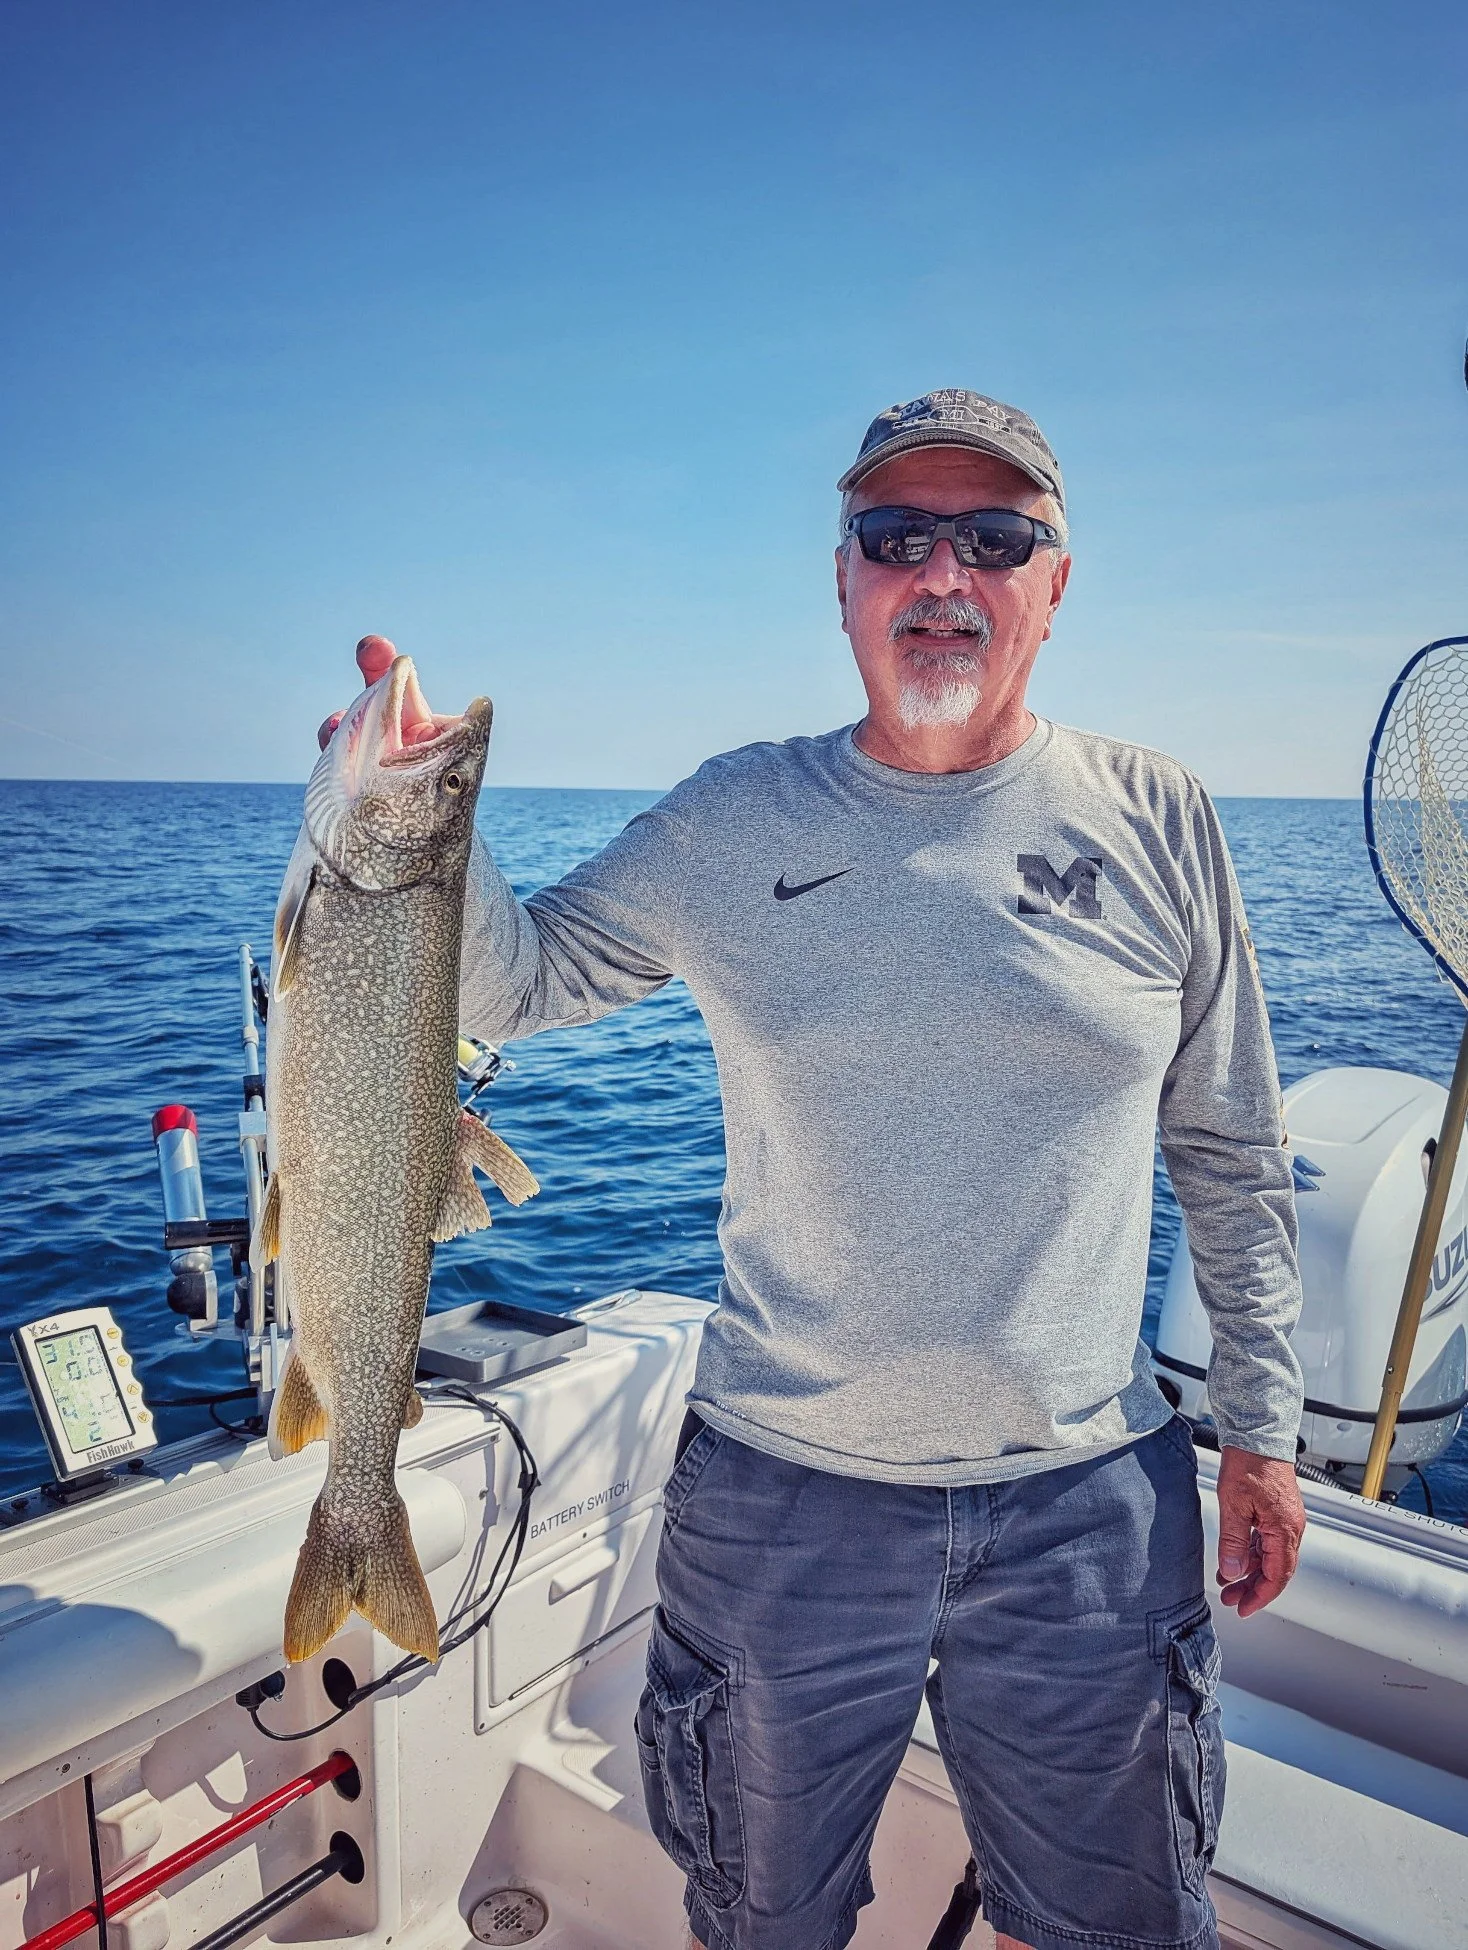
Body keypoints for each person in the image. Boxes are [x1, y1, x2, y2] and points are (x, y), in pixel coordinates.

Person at [322, 389, 1307, 1950]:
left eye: (996, 537)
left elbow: (1235, 1154)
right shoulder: (737, 814)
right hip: (783, 1506)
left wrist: (1259, 1428)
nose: (943, 571)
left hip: (1088, 1510)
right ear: (841, 580)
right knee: (763, 1922)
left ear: (1056, 582)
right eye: (894, 533)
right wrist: (411, 825)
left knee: (1122, 1927)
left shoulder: (1161, 815)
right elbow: (520, 982)